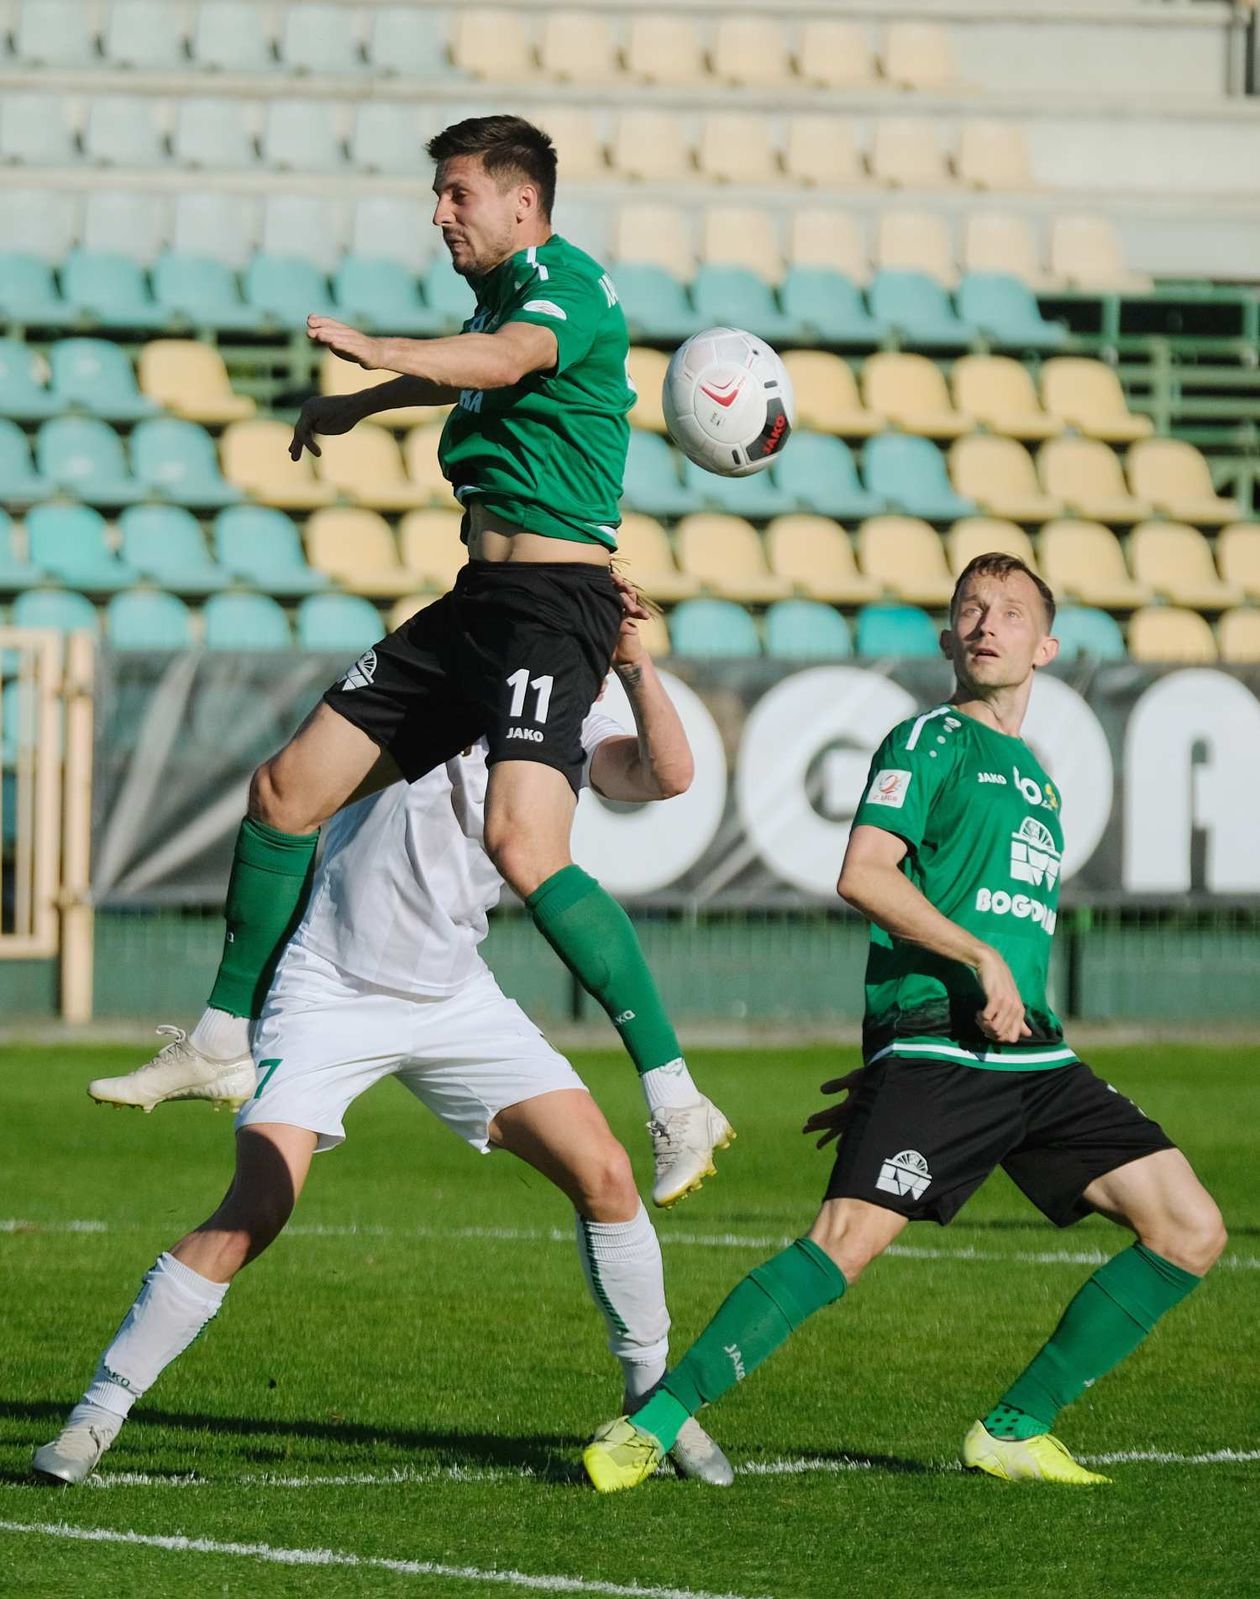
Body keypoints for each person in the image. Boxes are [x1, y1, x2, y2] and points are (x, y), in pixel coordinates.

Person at [100, 113, 732, 1192]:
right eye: (439, 195)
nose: (439, 212)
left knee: (524, 845)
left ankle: (678, 1100)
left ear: (521, 201)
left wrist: (379, 349)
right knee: (286, 792)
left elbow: (505, 358)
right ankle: (217, 1042)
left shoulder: (565, 291)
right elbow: (473, 371)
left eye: (457, 195)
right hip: (478, 603)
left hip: (552, 608)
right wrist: (359, 403)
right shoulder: (503, 292)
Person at [581, 552, 1227, 1493]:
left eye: (1010, 612)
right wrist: (970, 966)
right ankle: (651, 1423)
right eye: (970, 608)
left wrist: (985, 979)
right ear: (945, 636)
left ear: (1046, 645)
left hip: (1035, 1058)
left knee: (1192, 1228)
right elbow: (865, 872)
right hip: (941, 1046)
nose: (986, 623)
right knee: (842, 1244)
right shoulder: (929, 741)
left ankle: (1014, 1427)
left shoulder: (1039, 778)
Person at [34, 620, 732, 1488]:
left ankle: (655, 1406)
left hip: (454, 993)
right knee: (257, 1204)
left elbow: (668, 775)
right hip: (328, 984)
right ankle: (95, 1415)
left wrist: (635, 667)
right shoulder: (438, 671)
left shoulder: (567, 722)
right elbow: (298, 787)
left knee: (608, 1175)